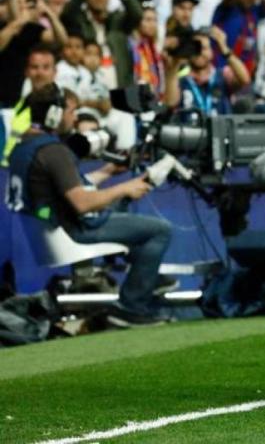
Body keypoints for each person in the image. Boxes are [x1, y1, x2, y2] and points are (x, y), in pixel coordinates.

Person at [5, 83, 171, 326]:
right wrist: (125, 187)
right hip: (72, 232)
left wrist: (108, 171)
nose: (75, 119)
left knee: (123, 205)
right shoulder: (53, 151)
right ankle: (132, 305)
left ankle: (146, 275)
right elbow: (81, 203)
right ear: (54, 114)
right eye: (71, 111)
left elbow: (62, 190)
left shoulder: (22, 148)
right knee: (161, 230)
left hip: (51, 229)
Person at [163, 27, 251, 116]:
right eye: (196, 48)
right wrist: (176, 62)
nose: (200, 53)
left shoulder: (222, 75)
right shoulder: (181, 80)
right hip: (190, 125)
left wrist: (225, 50)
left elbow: (244, 79)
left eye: (204, 48)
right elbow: (170, 103)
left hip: (220, 124)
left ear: (212, 52)